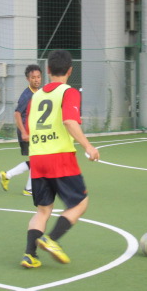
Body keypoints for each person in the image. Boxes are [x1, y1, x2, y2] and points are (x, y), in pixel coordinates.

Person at [20, 50, 99, 268]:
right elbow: (69, 121)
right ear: (70, 71)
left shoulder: (35, 97)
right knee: (80, 202)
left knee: (43, 210)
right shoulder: (68, 92)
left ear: (47, 70)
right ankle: (52, 239)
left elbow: (29, 130)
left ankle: (29, 255)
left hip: (37, 158)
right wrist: (88, 146)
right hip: (60, 157)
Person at [0, 64, 42, 195]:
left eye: (38, 77)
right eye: (33, 77)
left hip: (34, 131)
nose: (36, 80)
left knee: (37, 160)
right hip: (26, 131)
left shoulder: (39, 92)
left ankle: (8, 175)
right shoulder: (27, 95)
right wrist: (24, 132)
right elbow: (17, 114)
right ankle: (28, 188)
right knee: (38, 160)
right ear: (28, 79)